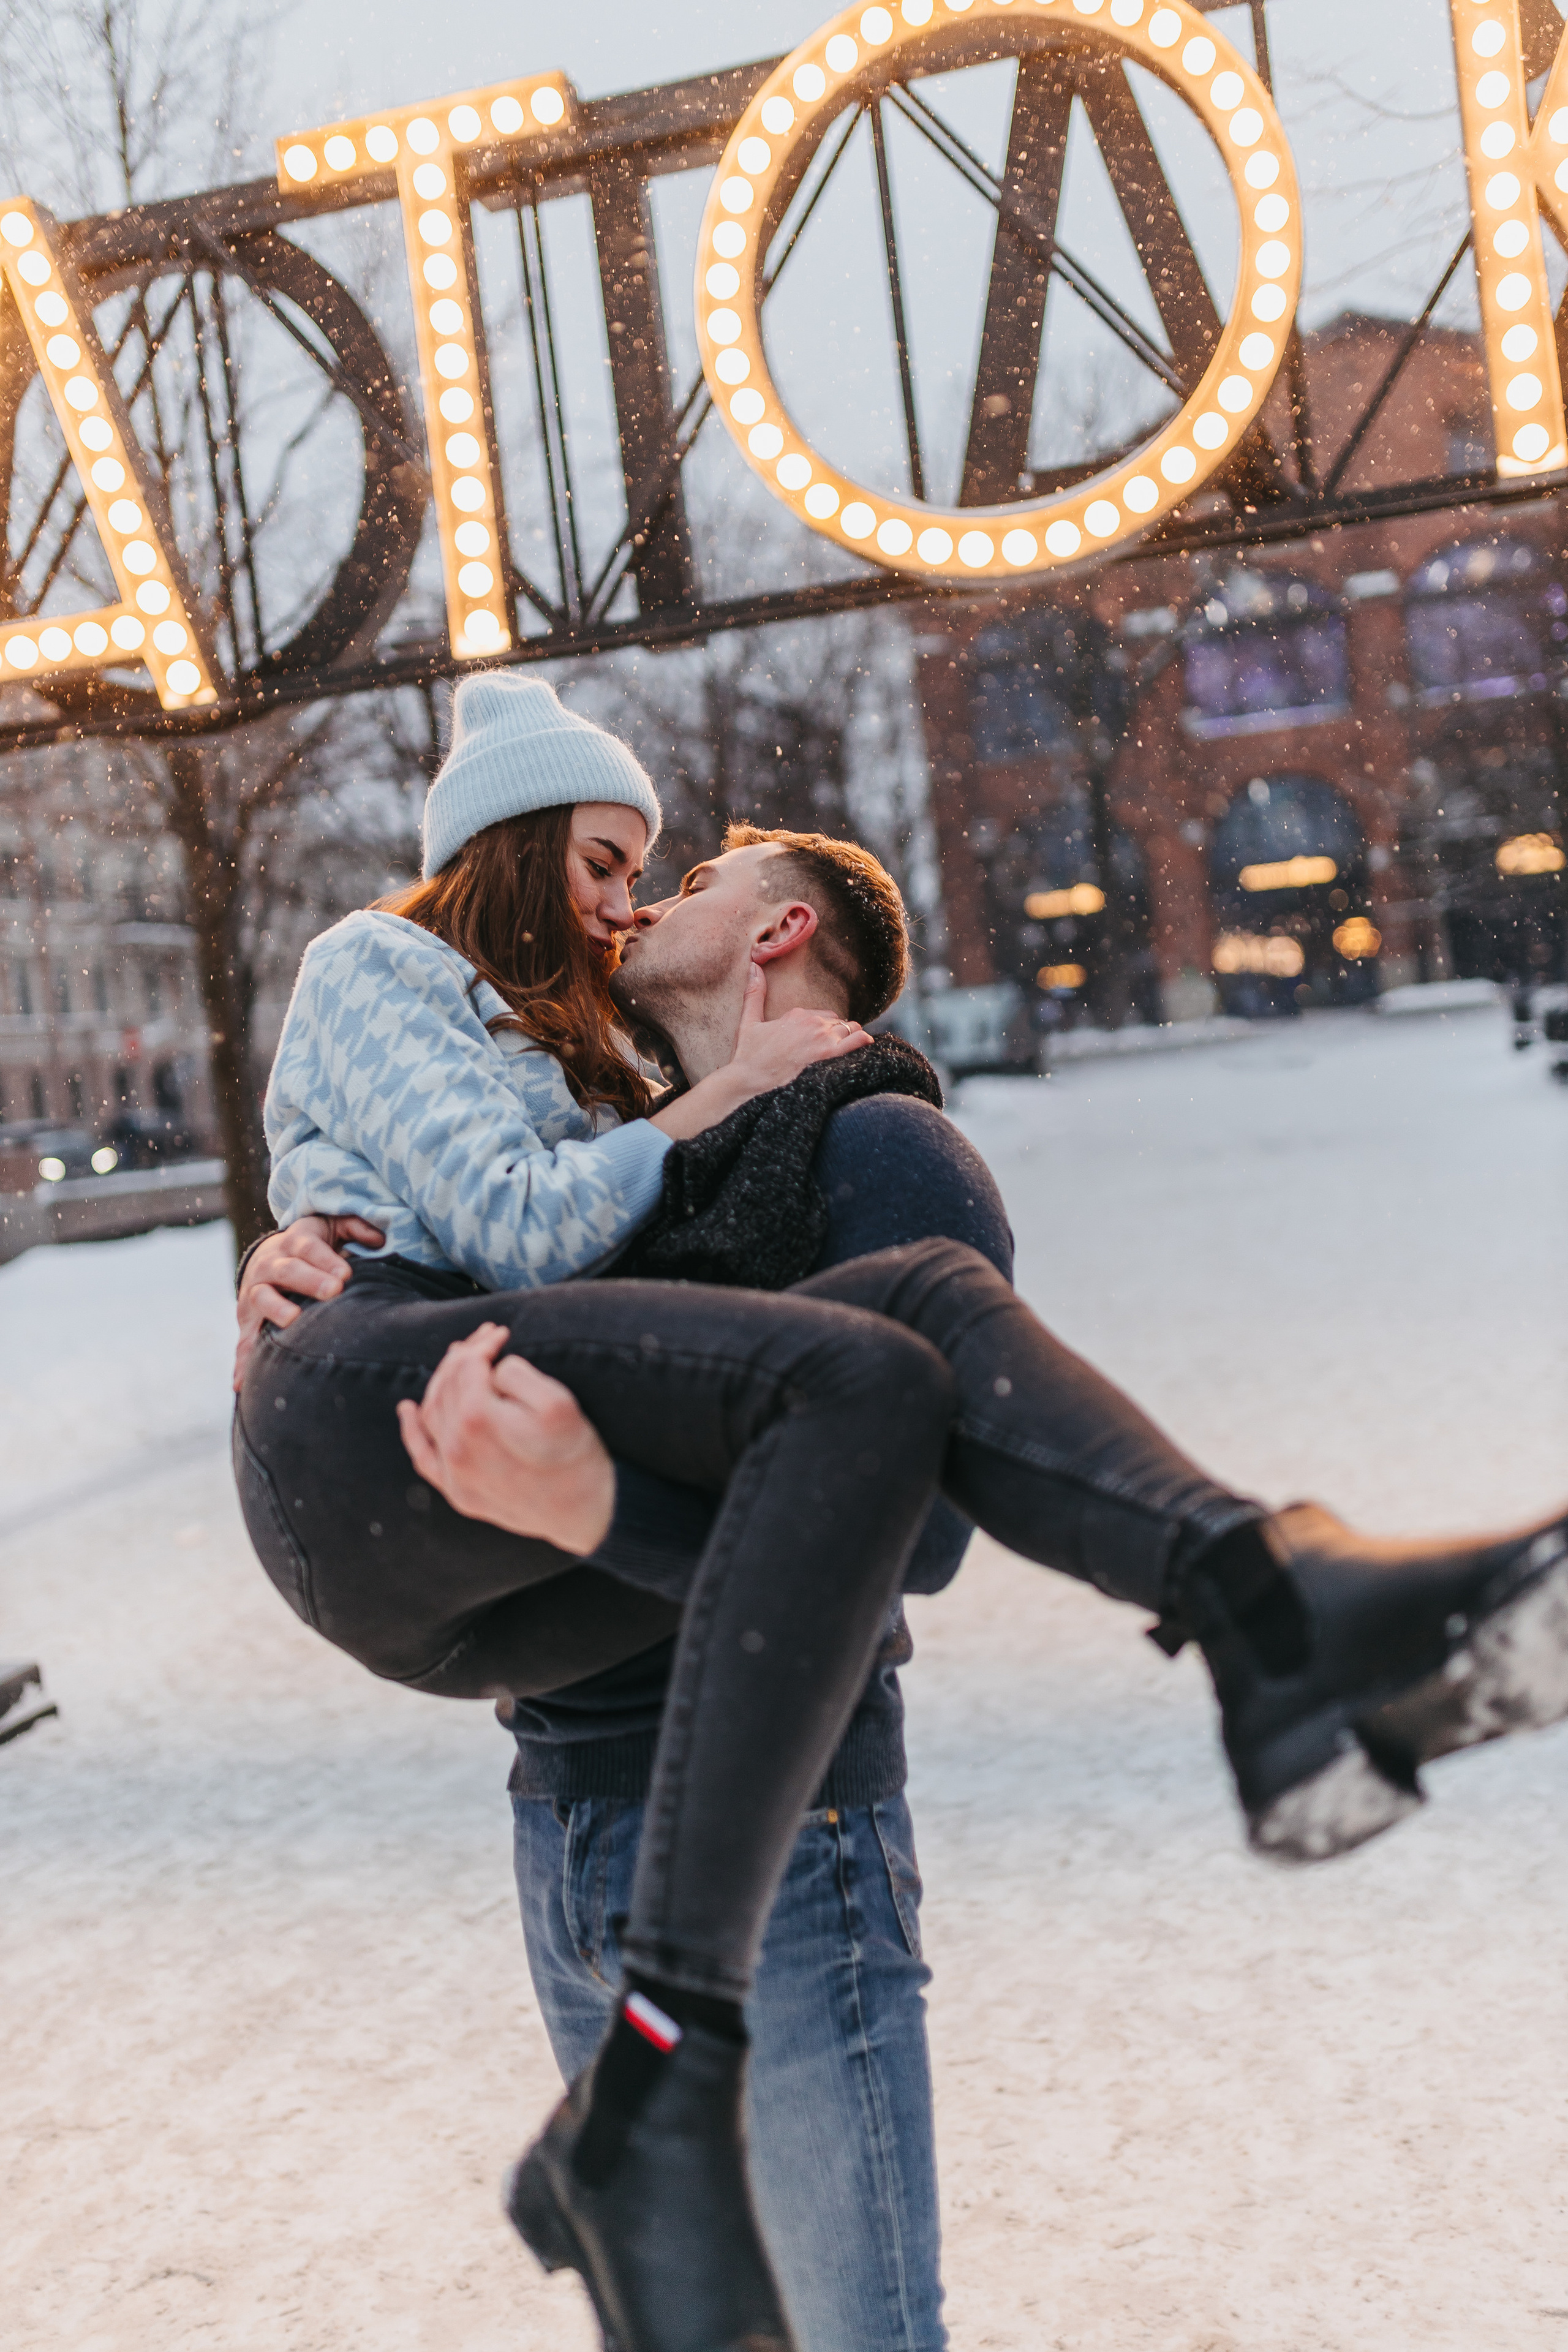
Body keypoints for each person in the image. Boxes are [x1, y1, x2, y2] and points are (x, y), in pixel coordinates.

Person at [234, 671, 1568, 2352]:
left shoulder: (872, 1136)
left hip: (777, 1824)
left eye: (683, 875)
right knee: (868, 1362)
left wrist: (598, 1514)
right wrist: (287, 1257)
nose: (638, 895)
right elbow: (449, 1206)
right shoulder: (622, 1117)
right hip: (569, 1782)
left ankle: (1281, 1619)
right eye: (608, 859)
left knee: (899, 1340)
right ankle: (1277, 1619)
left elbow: (908, 1540)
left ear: (777, 931)